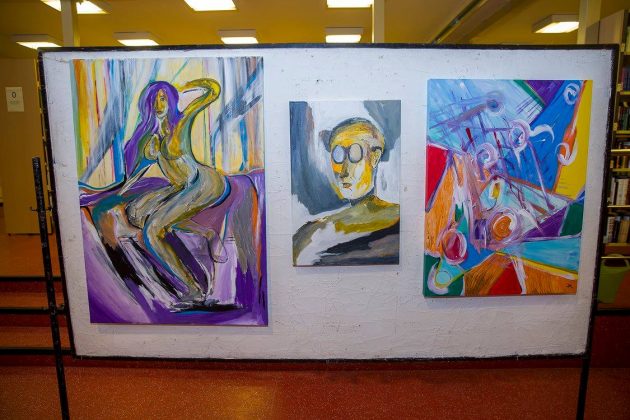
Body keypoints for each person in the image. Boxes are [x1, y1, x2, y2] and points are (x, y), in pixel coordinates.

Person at [293, 118, 400, 266]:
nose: (344, 171)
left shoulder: (398, 221)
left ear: (374, 157)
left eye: (355, 154)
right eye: (337, 155)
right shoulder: (309, 232)